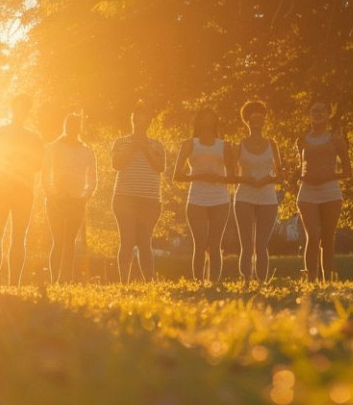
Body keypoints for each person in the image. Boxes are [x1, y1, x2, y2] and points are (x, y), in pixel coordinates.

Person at [0, 95, 45, 287]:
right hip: (0, 190)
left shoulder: (34, 138)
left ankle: (14, 284)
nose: (21, 112)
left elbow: (38, 165)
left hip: (23, 191)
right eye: (18, 108)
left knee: (19, 235)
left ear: (27, 112)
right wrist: (10, 160)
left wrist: (21, 160)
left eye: (24, 109)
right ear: (12, 109)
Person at [173, 108, 235, 284]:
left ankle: (214, 283)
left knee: (215, 245)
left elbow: (232, 176)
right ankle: (198, 283)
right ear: (198, 122)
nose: (207, 122)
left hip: (220, 199)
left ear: (215, 122)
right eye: (204, 119)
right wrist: (198, 176)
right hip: (196, 199)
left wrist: (219, 178)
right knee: (199, 245)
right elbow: (176, 175)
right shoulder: (189, 144)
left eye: (211, 119)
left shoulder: (224, 145)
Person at [296, 101, 350, 282]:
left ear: (329, 114)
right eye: (314, 110)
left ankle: (329, 279)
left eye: (321, 110)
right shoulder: (301, 140)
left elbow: (348, 172)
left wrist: (327, 176)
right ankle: (310, 278)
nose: (317, 113)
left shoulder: (336, 139)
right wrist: (299, 176)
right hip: (307, 193)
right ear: (309, 115)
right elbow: (300, 168)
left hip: (330, 192)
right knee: (313, 235)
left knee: (327, 237)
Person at [232, 100, 284, 284]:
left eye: (260, 115)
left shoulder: (272, 144)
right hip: (244, 196)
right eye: (253, 115)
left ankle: (262, 281)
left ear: (264, 120)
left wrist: (266, 179)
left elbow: (280, 175)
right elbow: (231, 176)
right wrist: (247, 179)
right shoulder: (240, 145)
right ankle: (245, 280)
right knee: (246, 244)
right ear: (247, 120)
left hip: (267, 197)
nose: (257, 118)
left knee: (261, 244)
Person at [112, 107, 165, 283]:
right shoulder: (120, 142)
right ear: (132, 121)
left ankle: (149, 282)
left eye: (144, 122)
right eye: (137, 121)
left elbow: (159, 167)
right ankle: (123, 282)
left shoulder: (157, 145)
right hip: (124, 197)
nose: (140, 125)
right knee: (127, 241)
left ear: (149, 124)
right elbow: (117, 164)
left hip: (150, 199)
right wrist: (134, 148)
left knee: (144, 242)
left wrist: (146, 149)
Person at [43, 112, 96, 284]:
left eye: (75, 125)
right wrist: (51, 194)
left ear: (78, 128)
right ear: (65, 126)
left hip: (76, 200)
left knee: (70, 242)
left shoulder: (87, 151)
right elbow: (45, 173)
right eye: (69, 124)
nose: (72, 128)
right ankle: (54, 280)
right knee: (58, 241)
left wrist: (85, 196)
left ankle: (65, 280)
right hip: (56, 199)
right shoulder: (53, 148)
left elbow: (93, 178)